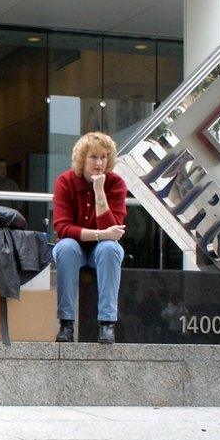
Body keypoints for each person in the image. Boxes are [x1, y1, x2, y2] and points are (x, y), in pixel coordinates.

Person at [51, 132, 127, 344]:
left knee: (109, 249)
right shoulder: (65, 182)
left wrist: (99, 191)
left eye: (104, 157)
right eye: (93, 157)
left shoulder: (116, 184)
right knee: (65, 247)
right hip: (73, 247)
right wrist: (101, 234)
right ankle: (66, 324)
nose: (99, 162)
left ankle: (107, 324)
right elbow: (62, 228)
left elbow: (114, 228)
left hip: (100, 250)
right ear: (82, 159)